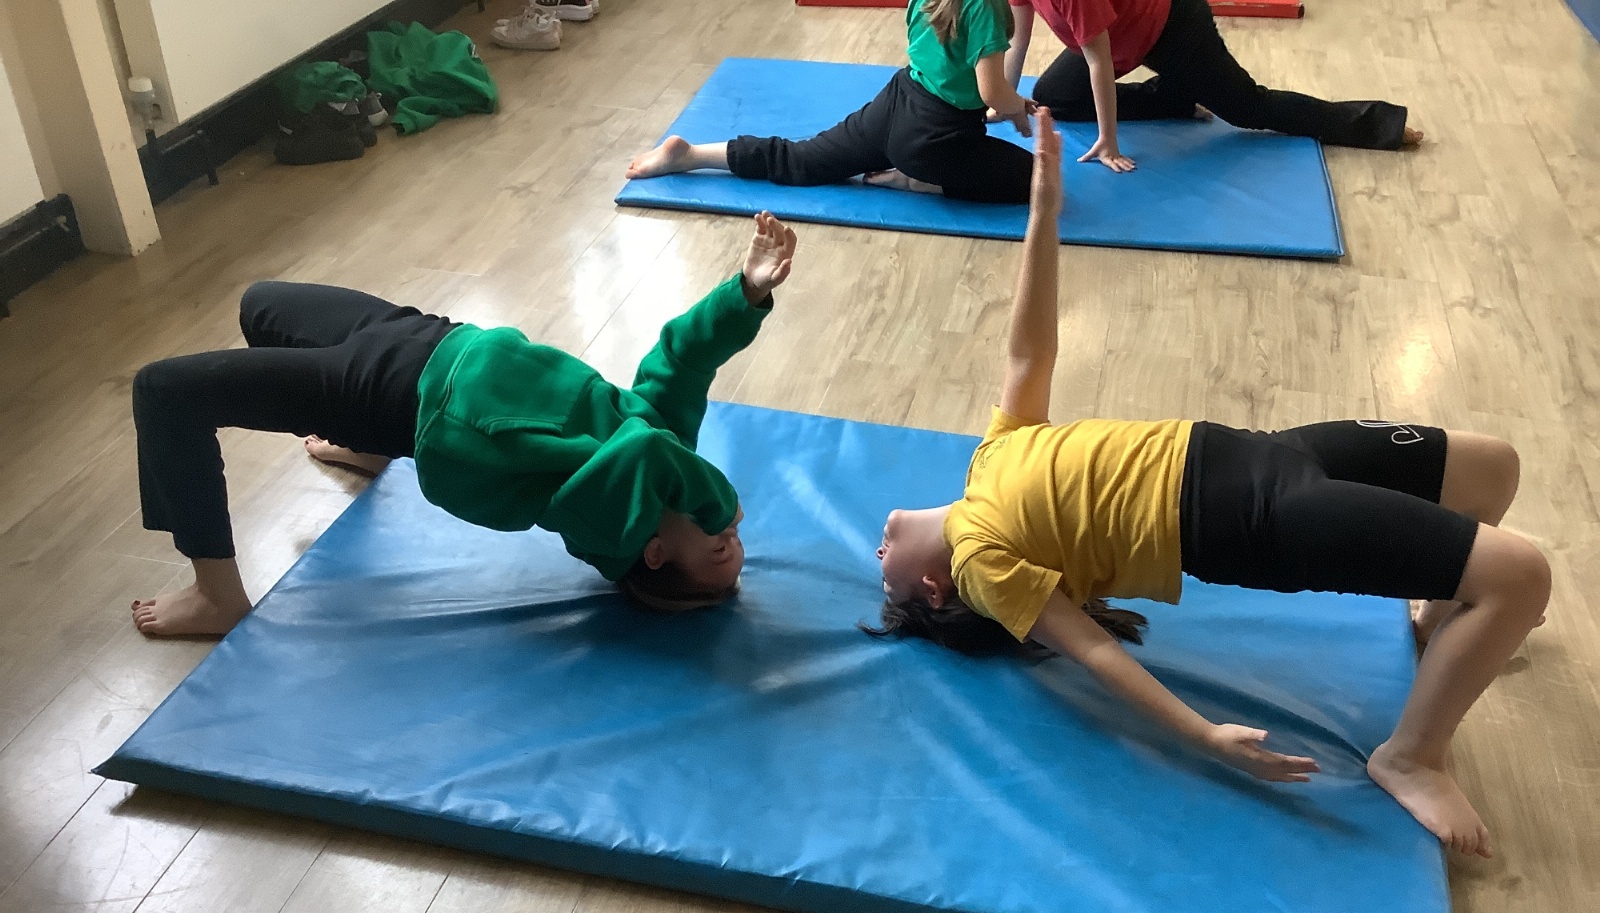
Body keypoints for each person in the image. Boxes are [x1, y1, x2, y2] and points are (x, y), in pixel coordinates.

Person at [870, 111, 1546, 859]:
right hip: (1250, 520)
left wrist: (1042, 214)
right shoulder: (980, 564)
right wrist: (1203, 735)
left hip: (1264, 453)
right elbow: (1094, 652)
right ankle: (1413, 756)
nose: (876, 552)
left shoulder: (989, 462)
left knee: (1494, 467)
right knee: (1522, 575)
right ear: (934, 590)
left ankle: (1433, 628)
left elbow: (1030, 354)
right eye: (885, 577)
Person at [129, 212, 799, 638]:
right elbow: (679, 362)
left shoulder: (608, 518)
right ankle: (367, 450)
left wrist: (717, 503)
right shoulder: (672, 469)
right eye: (734, 536)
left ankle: (217, 594)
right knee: (260, 304)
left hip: (396, 398)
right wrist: (744, 294)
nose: (728, 532)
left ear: (653, 553)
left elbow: (645, 450)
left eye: (718, 548)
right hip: (433, 339)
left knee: (163, 391)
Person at [626, 0, 1038, 203]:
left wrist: (1004, 106)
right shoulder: (985, 7)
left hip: (895, 103)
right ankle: (913, 179)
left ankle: (692, 155)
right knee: (1036, 178)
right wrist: (1018, 106)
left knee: (802, 159)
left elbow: (948, 69)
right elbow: (992, 92)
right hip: (935, 139)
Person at [1001, 0, 1422, 173]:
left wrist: (1108, 142)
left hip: (1171, 25)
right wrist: (1004, 99)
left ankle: (1378, 124)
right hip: (1116, 36)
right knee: (1054, 98)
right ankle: (1176, 97)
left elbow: (1099, 62)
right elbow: (1018, 37)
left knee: (1248, 108)